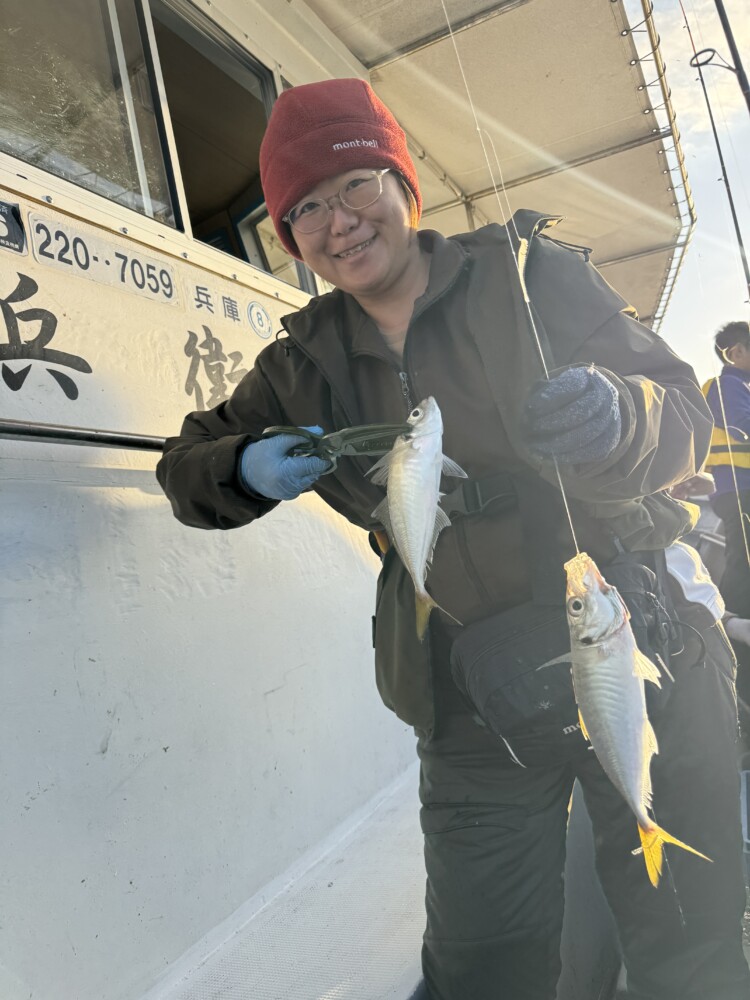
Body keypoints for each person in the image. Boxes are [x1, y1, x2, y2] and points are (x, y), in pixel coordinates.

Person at [156, 79, 749, 1000]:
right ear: (288, 239)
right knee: (483, 961)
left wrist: (620, 420)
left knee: (689, 934)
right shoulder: (296, 363)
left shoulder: (531, 275)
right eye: (303, 208)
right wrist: (240, 467)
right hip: (470, 693)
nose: (337, 222)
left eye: (354, 184)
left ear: (402, 182)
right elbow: (184, 468)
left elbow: (675, 408)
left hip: (637, 642)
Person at [703, 321, 750, 752]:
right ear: (735, 353)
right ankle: (732, 625)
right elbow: (740, 424)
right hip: (741, 493)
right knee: (742, 564)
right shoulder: (726, 387)